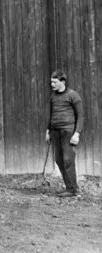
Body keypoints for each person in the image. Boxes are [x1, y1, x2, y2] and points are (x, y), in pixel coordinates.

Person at [45, 70, 83, 198]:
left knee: (68, 160)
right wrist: (48, 131)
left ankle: (73, 189)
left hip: (68, 132)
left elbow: (81, 116)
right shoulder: (53, 96)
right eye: (51, 82)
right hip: (55, 132)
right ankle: (69, 187)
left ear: (63, 82)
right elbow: (51, 115)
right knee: (59, 160)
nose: (52, 84)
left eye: (54, 82)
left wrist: (76, 133)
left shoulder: (73, 95)